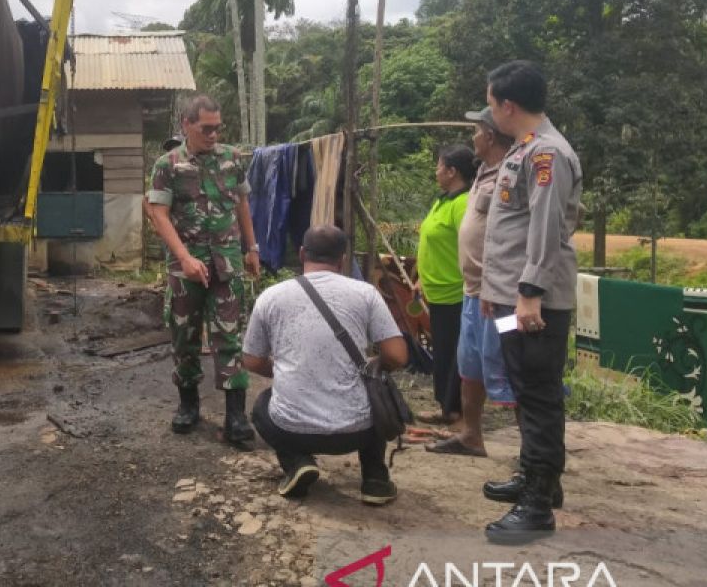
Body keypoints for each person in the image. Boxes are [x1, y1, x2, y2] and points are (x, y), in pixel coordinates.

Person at [479, 61, 581, 544]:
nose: (490, 111)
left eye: (492, 103)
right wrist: (493, 295)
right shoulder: (525, 150)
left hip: (533, 306)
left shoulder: (548, 155)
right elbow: (510, 230)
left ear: (508, 105)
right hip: (510, 303)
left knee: (538, 397)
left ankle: (538, 504)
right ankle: (535, 477)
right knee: (523, 386)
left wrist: (527, 295)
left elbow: (544, 228)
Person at [243, 225, 408, 502]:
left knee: (261, 408)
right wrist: (371, 366)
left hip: (293, 430)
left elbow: (251, 359)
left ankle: (297, 462)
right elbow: (397, 356)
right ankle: (375, 480)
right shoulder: (365, 293)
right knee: (374, 387)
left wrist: (287, 370)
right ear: (343, 259)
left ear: (302, 253)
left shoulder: (271, 297)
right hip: (357, 432)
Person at [146, 95, 261, 444]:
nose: (213, 135)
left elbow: (242, 203)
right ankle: (188, 404)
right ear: (186, 125)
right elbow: (157, 213)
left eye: (217, 128)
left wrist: (251, 247)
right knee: (185, 335)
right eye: (205, 128)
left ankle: (236, 416)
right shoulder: (168, 165)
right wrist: (184, 257)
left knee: (229, 334)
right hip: (187, 267)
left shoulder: (232, 160)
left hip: (226, 264)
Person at [426, 108, 515, 458]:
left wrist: (505, 287)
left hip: (501, 297)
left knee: (511, 366)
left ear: (490, 136)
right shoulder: (483, 176)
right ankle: (470, 435)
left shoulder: (516, 172)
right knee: (470, 366)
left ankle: (535, 456)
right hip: (472, 294)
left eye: (477, 130)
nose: (473, 136)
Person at [414, 145, 476, 426]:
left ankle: (456, 412)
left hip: (456, 294)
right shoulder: (443, 201)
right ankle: (446, 407)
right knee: (444, 353)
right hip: (437, 292)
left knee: (454, 356)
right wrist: (420, 279)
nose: (436, 172)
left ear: (452, 172)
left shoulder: (463, 205)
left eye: (439, 166)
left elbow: (472, 248)